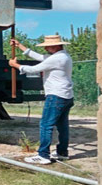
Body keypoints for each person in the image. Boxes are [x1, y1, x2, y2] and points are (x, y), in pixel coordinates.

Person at [8, 34, 73, 165]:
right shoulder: (63, 56)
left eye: (47, 46)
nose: (46, 49)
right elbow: (40, 57)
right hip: (66, 96)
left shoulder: (56, 59)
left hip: (55, 96)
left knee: (46, 125)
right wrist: (19, 46)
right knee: (62, 126)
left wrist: (16, 66)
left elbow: (34, 69)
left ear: (54, 46)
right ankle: (62, 152)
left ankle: (43, 155)